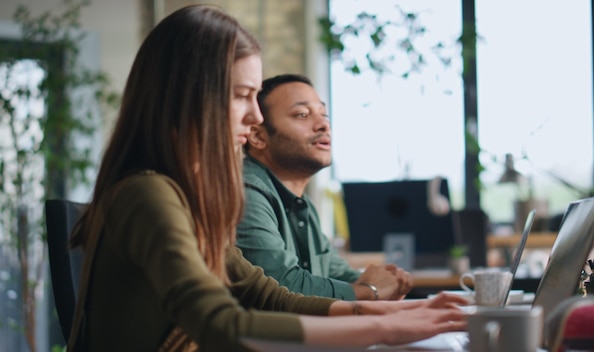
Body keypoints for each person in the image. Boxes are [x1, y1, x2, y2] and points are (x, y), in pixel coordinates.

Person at [69, 5, 467, 351]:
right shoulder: (147, 193)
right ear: (192, 98)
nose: (255, 116)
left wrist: (412, 310)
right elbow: (221, 324)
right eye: (242, 95)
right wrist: (385, 325)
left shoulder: (189, 198)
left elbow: (265, 294)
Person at [237, 73, 412, 300]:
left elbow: (337, 273)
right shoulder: (246, 191)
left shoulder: (303, 205)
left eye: (324, 114)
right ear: (258, 136)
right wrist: (371, 291)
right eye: (302, 115)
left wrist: (387, 281)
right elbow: (282, 286)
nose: (323, 125)